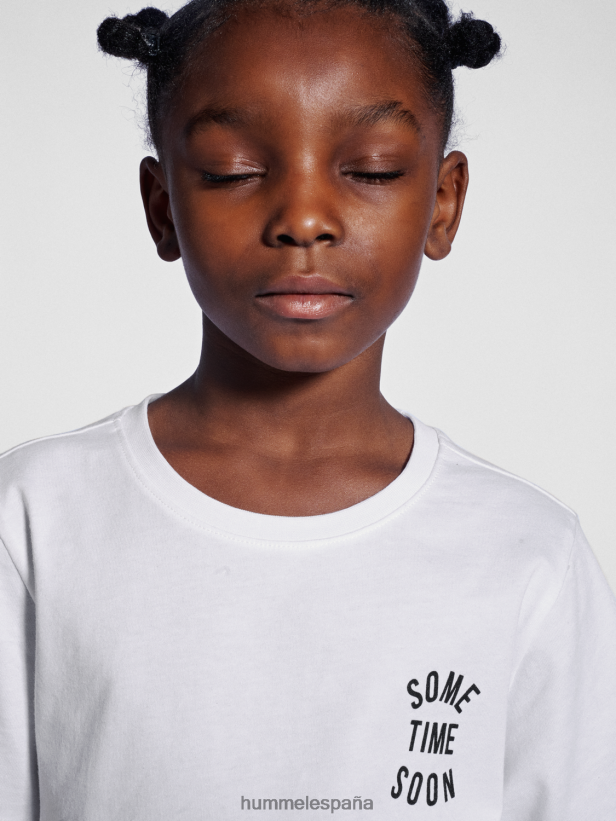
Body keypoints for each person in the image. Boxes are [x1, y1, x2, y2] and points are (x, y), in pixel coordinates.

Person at [1, 0, 614, 818]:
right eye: (232, 170)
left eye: (372, 170)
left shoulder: (529, 553)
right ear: (162, 206)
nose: (303, 221)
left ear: (443, 201)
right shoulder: (36, 517)